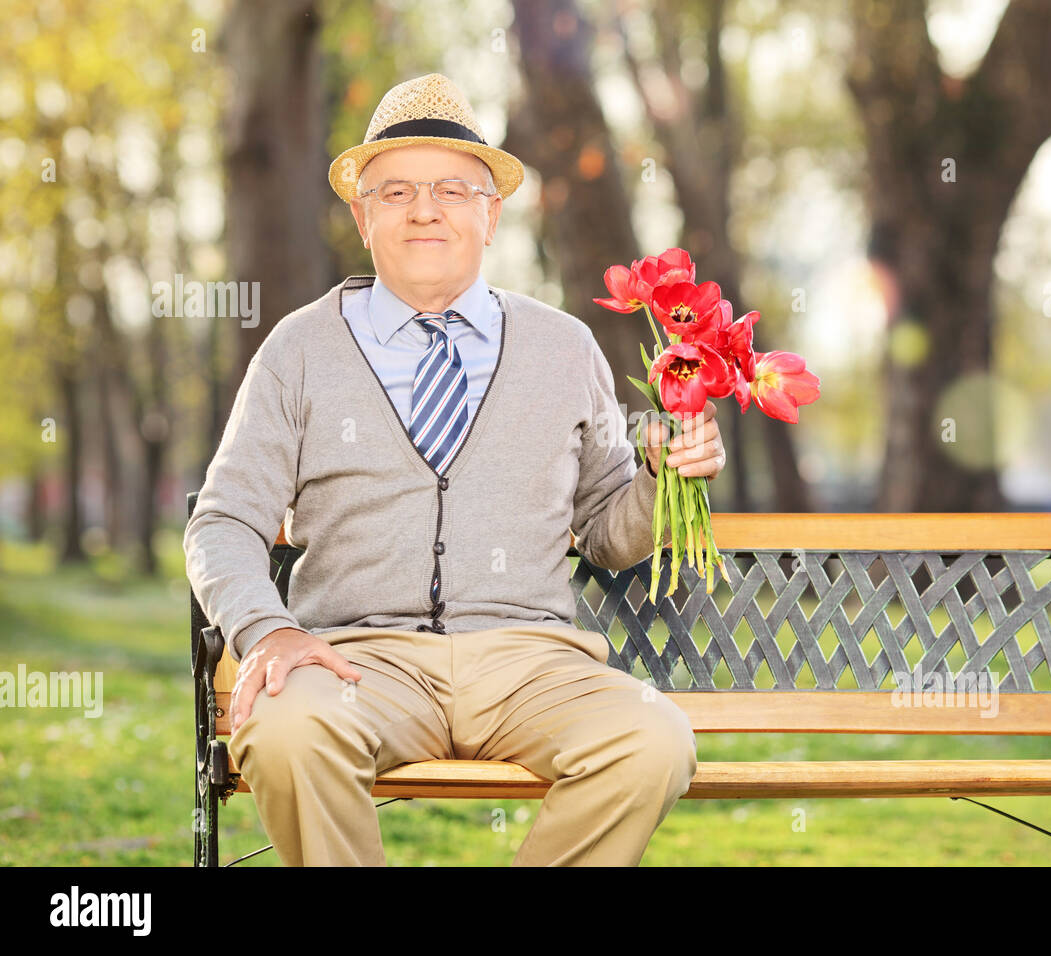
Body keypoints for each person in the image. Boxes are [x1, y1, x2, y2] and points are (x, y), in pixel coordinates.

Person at [183, 73, 728, 866]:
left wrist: (660, 476)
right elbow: (224, 518)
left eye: (452, 189)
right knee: (288, 728)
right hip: (356, 661)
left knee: (651, 738)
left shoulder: (564, 346)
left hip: (531, 664)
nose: (425, 209)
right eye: (396, 190)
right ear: (363, 216)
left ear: (491, 213)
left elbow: (610, 531)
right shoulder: (298, 353)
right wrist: (268, 632)